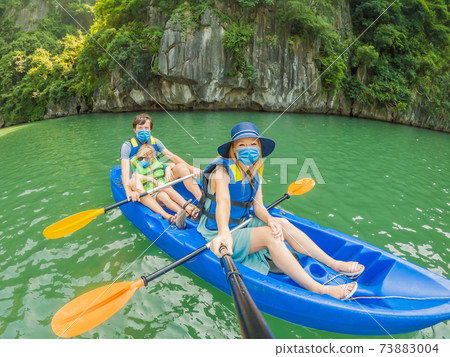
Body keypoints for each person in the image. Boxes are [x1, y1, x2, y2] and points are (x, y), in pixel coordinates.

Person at [197, 122, 365, 300]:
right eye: (241, 145)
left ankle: (335, 264)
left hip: (241, 224)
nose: (248, 149)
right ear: (233, 150)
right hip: (219, 232)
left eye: (253, 144)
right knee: (270, 236)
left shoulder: (254, 171)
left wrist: (270, 220)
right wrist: (224, 231)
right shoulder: (222, 172)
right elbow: (223, 201)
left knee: (281, 223)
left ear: (260, 148)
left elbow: (258, 206)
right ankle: (319, 289)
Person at [120, 113, 202, 205]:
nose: (143, 130)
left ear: (150, 129)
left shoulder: (155, 142)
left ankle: (201, 200)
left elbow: (172, 157)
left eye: (146, 128)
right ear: (135, 129)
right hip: (140, 180)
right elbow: (125, 171)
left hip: (158, 177)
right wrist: (128, 191)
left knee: (182, 167)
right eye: (140, 128)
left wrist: (192, 169)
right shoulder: (127, 146)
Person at [130, 144, 199, 227]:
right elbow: (135, 176)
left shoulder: (157, 164)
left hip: (163, 190)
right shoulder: (138, 168)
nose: (143, 160)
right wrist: (153, 180)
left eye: (146, 158)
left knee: (163, 194)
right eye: (140, 158)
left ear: (153, 158)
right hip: (152, 193)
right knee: (162, 190)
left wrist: (168, 167)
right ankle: (187, 211)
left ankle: (185, 212)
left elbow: (171, 164)